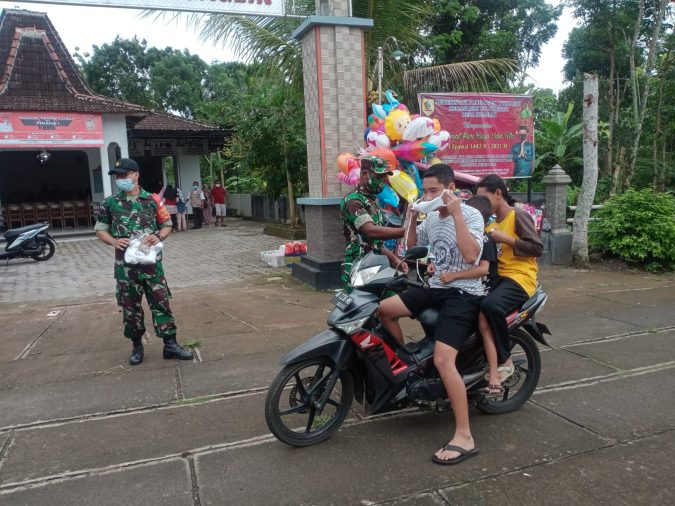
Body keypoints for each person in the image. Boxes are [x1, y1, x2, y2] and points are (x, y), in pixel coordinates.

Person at [378, 163, 485, 465]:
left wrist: (458, 214)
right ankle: (405, 367)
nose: (428, 195)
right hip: (436, 285)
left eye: (433, 191)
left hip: (464, 292)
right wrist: (412, 216)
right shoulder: (432, 219)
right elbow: (412, 246)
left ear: (450, 189)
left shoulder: (472, 214)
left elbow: (469, 255)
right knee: (384, 309)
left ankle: (464, 435)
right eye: (425, 190)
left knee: (442, 360)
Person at [94, 158, 193, 365]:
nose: (120, 179)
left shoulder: (153, 200)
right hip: (125, 268)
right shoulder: (110, 203)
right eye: (118, 176)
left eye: (124, 175)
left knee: (161, 303)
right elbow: (100, 230)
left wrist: (158, 236)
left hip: (151, 265)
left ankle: (170, 345)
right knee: (130, 308)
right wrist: (113, 241)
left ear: (136, 175)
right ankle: (137, 346)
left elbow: (167, 225)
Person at [429, 195, 501, 394]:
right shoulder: (460, 234)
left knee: (485, 326)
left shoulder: (485, 240)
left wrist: (454, 276)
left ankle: (495, 373)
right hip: (458, 286)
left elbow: (483, 269)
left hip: (483, 290)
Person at [476, 174, 543, 385]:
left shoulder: (518, 216)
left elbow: (537, 248)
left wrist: (507, 239)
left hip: (519, 278)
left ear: (498, 194)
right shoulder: (491, 224)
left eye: (484, 198)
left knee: (491, 305)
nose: (482, 204)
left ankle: (505, 359)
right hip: (498, 279)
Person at [340, 155, 406, 287]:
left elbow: (375, 243)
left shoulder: (372, 201)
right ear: (365, 174)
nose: (384, 180)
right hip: (358, 266)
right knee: (360, 304)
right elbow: (371, 231)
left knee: (388, 300)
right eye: (379, 176)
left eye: (385, 176)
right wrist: (405, 231)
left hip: (375, 263)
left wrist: (394, 260)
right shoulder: (354, 201)